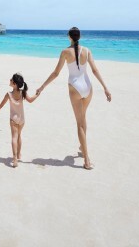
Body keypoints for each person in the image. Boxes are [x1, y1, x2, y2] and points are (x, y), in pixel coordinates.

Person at [36, 27, 111, 170]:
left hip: (74, 88)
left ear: (69, 37)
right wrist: (105, 88)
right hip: (88, 87)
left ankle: (87, 160)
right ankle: (82, 148)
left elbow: (56, 73)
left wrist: (42, 87)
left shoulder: (65, 52)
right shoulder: (87, 50)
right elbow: (95, 70)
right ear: (79, 37)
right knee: (83, 119)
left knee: (79, 124)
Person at [0, 73, 39, 167]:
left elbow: (0, 106)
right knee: (19, 136)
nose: (10, 80)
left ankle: (15, 159)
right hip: (22, 119)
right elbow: (30, 100)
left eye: (11, 80)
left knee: (14, 137)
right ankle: (18, 154)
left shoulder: (9, 94)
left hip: (13, 119)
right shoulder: (22, 92)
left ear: (15, 83)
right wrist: (37, 94)